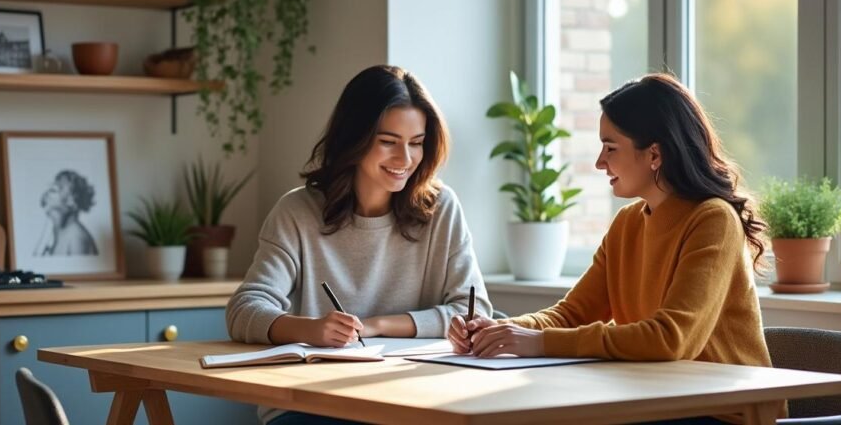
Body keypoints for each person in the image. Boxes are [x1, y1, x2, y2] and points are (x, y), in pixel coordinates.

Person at [448, 73, 784, 425]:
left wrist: (537, 342)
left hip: (722, 413)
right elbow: (570, 315)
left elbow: (670, 339)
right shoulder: (628, 223)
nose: (599, 162)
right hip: (656, 402)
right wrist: (497, 332)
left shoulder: (713, 220)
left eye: (610, 148)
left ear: (654, 154)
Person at [227, 65, 492, 425]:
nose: (405, 160)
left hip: (412, 398)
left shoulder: (441, 209)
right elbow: (244, 309)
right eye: (388, 142)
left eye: (416, 143)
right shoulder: (297, 211)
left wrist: (378, 325)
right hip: (311, 403)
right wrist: (310, 329)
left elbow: (472, 312)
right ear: (354, 138)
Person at [33, 170, 99, 256]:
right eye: (53, 186)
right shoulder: (55, 230)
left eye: (59, 187)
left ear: (73, 200)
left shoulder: (77, 238)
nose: (49, 190)